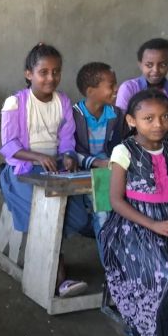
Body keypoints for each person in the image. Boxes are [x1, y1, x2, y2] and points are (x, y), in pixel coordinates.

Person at [0, 43, 89, 297]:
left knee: (77, 214)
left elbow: (68, 139)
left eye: (56, 72)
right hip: (23, 170)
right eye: (43, 72)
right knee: (43, 215)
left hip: (55, 169)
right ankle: (58, 276)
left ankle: (53, 266)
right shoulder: (15, 103)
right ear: (29, 74)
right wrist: (38, 157)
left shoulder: (63, 102)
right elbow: (9, 145)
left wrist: (68, 156)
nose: (51, 78)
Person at [98, 89, 168, 336]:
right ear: (132, 121)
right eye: (149, 118)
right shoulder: (124, 151)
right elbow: (115, 200)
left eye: (165, 117)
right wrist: (153, 225)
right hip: (130, 227)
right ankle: (152, 332)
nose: (158, 124)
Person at [72, 62, 127, 260]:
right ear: (90, 91)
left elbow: (121, 144)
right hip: (86, 169)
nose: (116, 89)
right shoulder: (74, 115)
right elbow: (69, 150)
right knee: (104, 214)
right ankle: (111, 266)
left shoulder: (116, 114)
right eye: (111, 85)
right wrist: (96, 162)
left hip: (110, 168)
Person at [115, 38, 168, 131]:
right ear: (140, 64)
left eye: (163, 65)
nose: (155, 70)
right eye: (149, 65)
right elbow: (121, 121)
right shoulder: (128, 88)